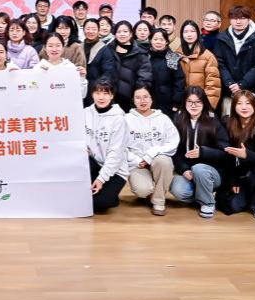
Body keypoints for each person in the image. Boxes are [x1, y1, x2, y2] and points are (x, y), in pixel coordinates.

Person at [170, 88, 229, 218]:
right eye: (189, 101)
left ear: (204, 103)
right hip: (190, 173)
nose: (193, 105)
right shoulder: (178, 121)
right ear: (184, 103)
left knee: (199, 168)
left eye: (198, 102)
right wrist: (184, 169)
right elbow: (174, 151)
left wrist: (203, 152)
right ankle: (203, 195)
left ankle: (207, 203)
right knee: (176, 189)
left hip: (212, 173)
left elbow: (225, 153)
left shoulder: (214, 122)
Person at [219, 90, 255, 220]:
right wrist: (233, 180)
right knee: (232, 206)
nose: (244, 107)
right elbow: (226, 156)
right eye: (239, 103)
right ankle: (247, 196)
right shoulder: (227, 122)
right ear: (234, 106)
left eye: (248, 103)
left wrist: (247, 155)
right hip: (237, 173)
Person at [124, 85, 178, 216]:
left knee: (164, 161)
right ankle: (151, 191)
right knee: (142, 190)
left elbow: (173, 142)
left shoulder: (163, 119)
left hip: (157, 160)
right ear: (133, 100)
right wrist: (137, 160)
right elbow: (120, 147)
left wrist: (151, 154)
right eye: (138, 97)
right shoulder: (126, 119)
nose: (142, 101)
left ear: (151, 98)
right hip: (137, 164)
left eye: (145, 97)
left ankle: (159, 201)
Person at [214, 5, 255, 117]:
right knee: (229, 122)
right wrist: (230, 83)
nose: (238, 21)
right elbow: (219, 63)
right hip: (229, 91)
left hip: (254, 90)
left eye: (242, 18)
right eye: (234, 18)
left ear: (248, 19)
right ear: (230, 20)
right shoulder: (221, 38)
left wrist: (241, 84)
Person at [85, 78, 129, 212]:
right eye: (97, 93)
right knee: (81, 198)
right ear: (92, 94)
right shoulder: (86, 113)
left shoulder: (119, 119)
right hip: (94, 162)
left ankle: (111, 196)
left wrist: (101, 179)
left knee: (100, 203)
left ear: (112, 95)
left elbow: (115, 155)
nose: (101, 97)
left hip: (115, 169)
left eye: (105, 93)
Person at [87, 21, 153, 110]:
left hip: (131, 100)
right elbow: (98, 73)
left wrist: (137, 94)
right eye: (119, 32)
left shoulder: (140, 53)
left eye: (125, 31)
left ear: (131, 34)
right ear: (115, 34)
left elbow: (145, 76)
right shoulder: (107, 50)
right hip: (109, 98)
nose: (122, 34)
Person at [178, 20, 221, 108]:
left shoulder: (208, 56)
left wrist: (207, 107)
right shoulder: (176, 55)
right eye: (186, 32)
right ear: (182, 34)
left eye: (192, 31)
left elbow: (213, 85)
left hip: (200, 104)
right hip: (181, 104)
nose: (189, 34)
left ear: (198, 33)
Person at [147, 29, 186, 118]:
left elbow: (179, 80)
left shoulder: (172, 57)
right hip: (148, 99)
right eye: (155, 39)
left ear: (166, 42)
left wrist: (176, 102)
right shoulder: (145, 56)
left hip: (168, 101)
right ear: (150, 40)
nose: (158, 42)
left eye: (162, 39)